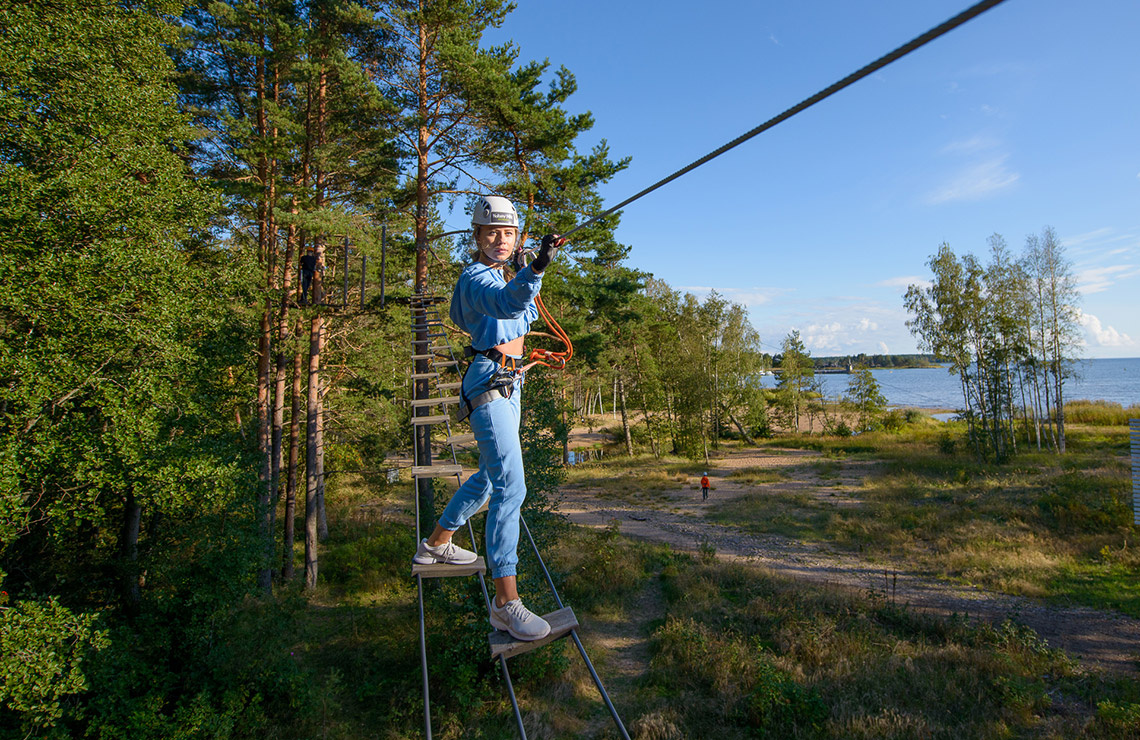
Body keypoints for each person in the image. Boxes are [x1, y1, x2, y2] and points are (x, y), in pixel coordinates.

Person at [412, 195, 561, 641]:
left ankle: (435, 544)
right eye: (492, 232)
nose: (500, 240)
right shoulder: (475, 278)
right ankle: (505, 603)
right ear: (476, 236)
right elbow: (508, 306)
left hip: (510, 382)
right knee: (512, 486)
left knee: (492, 477)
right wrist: (536, 269)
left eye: (508, 233)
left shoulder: (502, 275)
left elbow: (524, 313)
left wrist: (524, 272)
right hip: (489, 382)